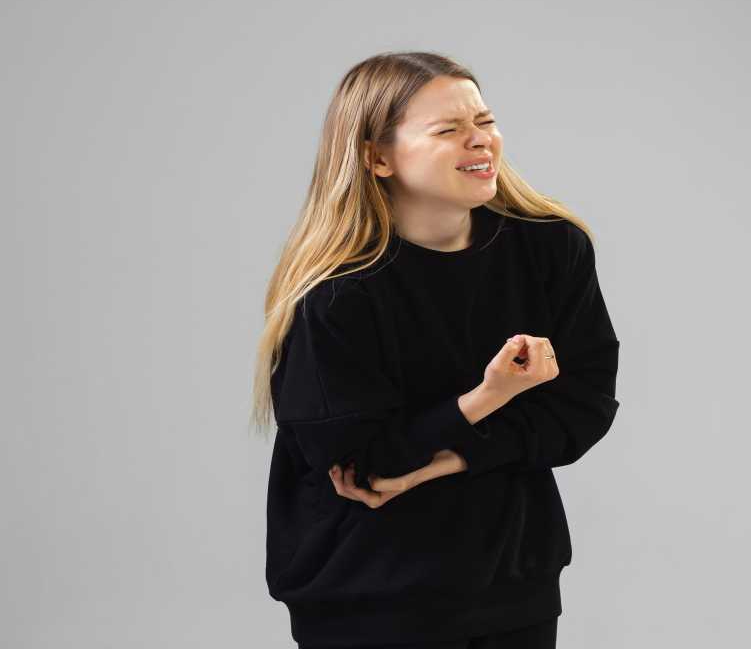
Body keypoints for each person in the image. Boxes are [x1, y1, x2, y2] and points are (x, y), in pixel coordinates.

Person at [251, 51, 620, 648]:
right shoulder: (337, 296)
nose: (480, 140)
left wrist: (445, 460)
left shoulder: (552, 250)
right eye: (448, 129)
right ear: (377, 158)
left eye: (485, 120)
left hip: (512, 584)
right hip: (369, 594)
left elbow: (583, 410)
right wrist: (489, 397)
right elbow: (361, 469)